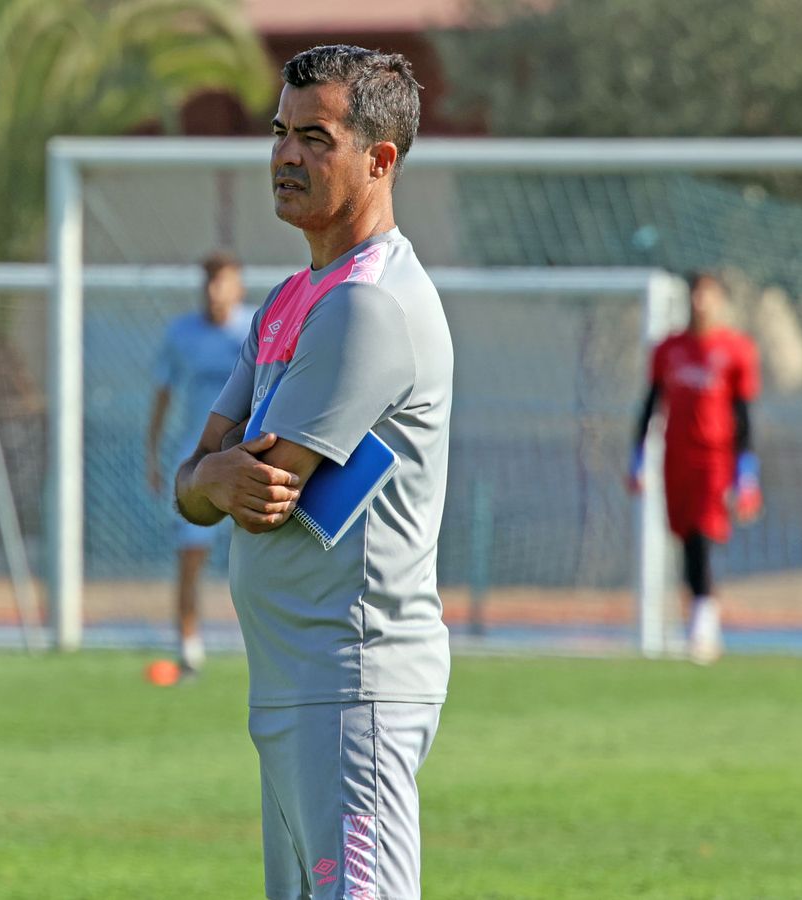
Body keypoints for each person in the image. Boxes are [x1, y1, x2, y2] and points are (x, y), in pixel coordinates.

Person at [174, 45, 451, 899]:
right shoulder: (294, 299)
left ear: (380, 159)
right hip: (299, 685)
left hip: (352, 685)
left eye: (315, 138)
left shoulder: (368, 306)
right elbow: (195, 485)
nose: (286, 156)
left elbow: (254, 494)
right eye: (280, 134)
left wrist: (216, 474)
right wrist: (213, 476)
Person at [628, 271, 761, 665]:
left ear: (719, 300)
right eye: (696, 294)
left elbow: (744, 416)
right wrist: (637, 458)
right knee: (686, 536)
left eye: (708, 295)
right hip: (676, 458)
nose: (701, 302)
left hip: (714, 459)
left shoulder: (735, 350)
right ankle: (702, 619)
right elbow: (650, 403)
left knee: (703, 532)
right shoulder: (669, 349)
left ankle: (702, 622)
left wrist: (747, 472)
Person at [144, 252, 252, 679]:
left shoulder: (258, 328)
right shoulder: (181, 334)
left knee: (259, 559)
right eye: (208, 282)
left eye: (222, 281)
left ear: (237, 287)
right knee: (190, 557)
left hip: (248, 460)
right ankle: (189, 650)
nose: (214, 291)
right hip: (197, 464)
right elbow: (162, 396)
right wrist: (152, 457)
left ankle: (265, 647)